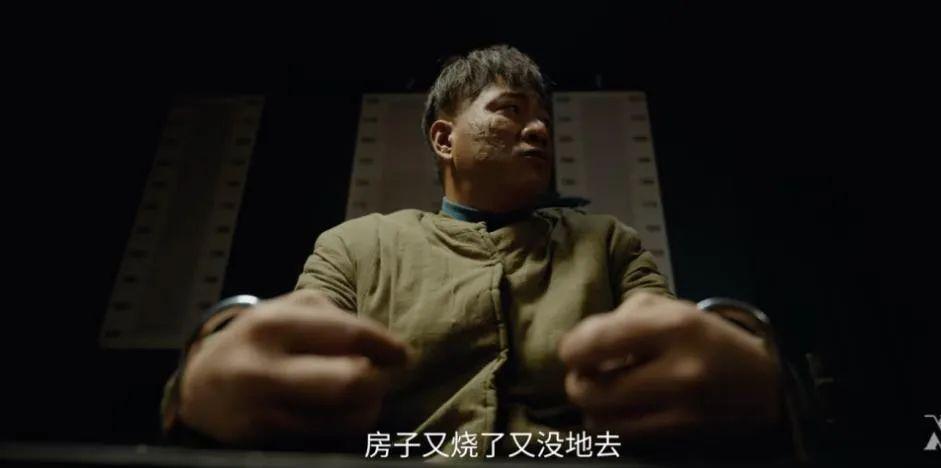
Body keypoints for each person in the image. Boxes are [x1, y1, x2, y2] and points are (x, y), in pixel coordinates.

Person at [160, 44, 801, 461]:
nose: (539, 128)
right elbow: (292, 345)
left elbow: (671, 349)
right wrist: (206, 377)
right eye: (510, 110)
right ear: (445, 140)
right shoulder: (356, 245)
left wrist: (756, 380)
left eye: (544, 117)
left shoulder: (609, 243)